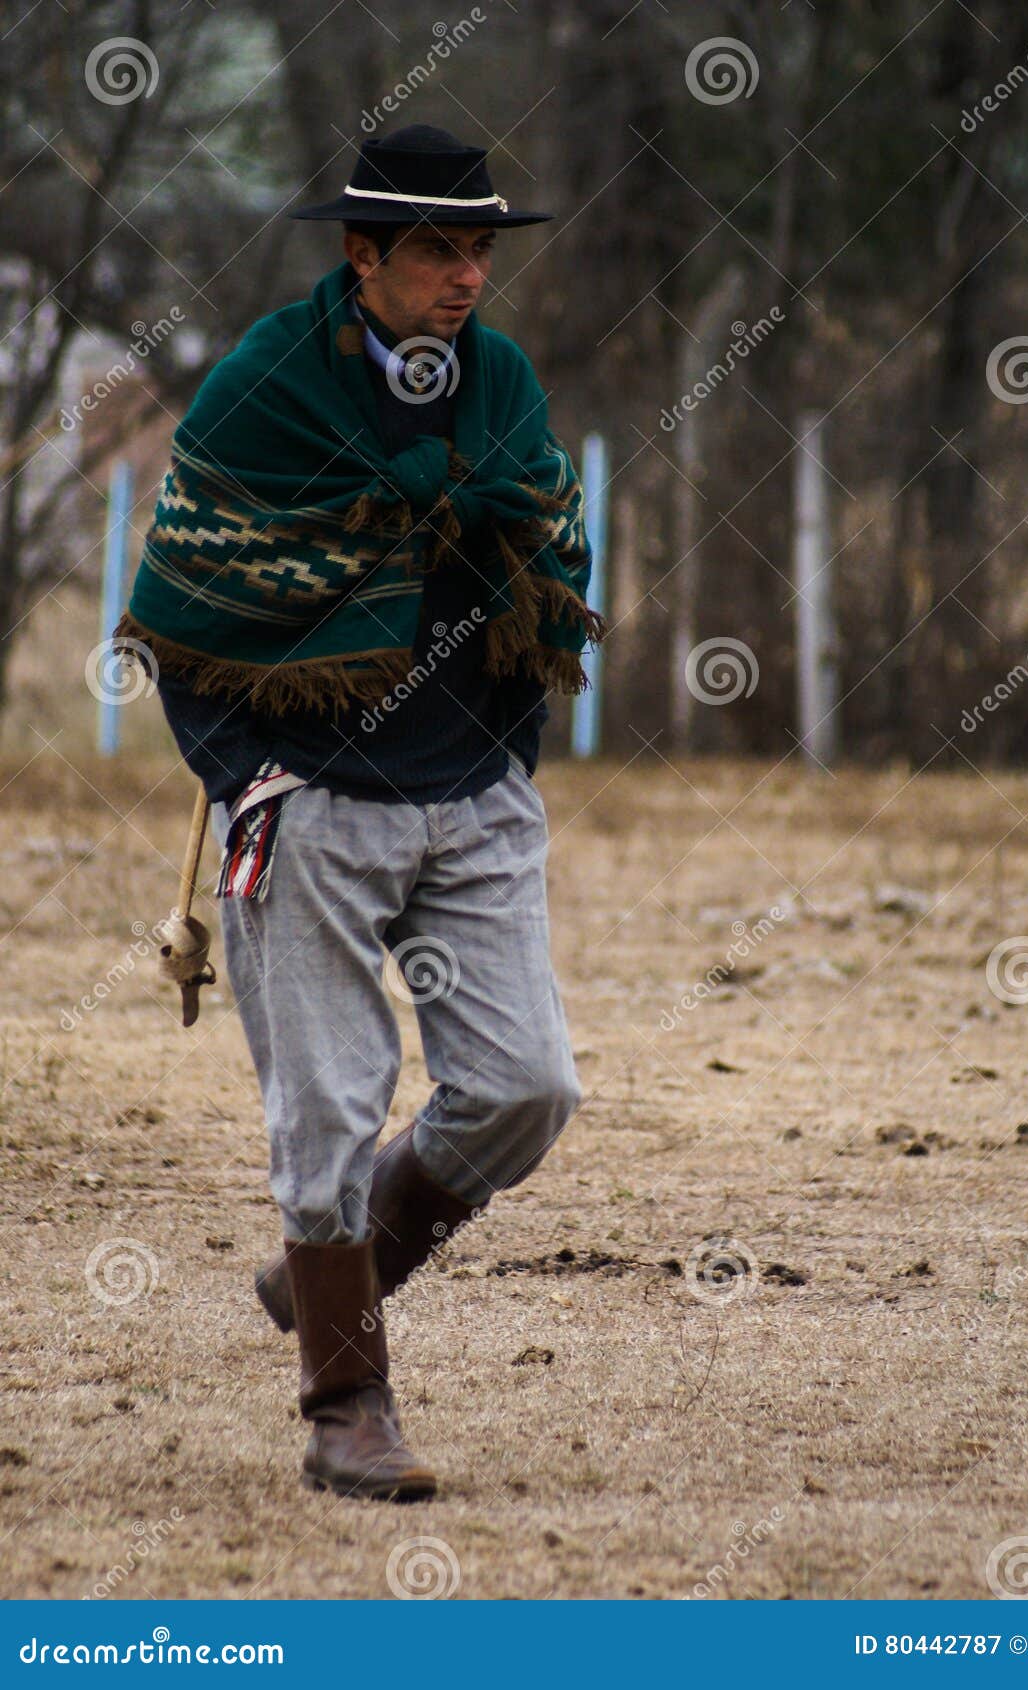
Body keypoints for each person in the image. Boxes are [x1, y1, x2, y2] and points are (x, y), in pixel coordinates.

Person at [116, 124, 606, 1501]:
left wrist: (509, 755)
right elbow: (187, 602)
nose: (466, 276)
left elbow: (548, 563)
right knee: (324, 1108)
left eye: (479, 250)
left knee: (526, 1086)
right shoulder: (263, 389)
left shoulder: (497, 382)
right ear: (362, 255)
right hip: (313, 804)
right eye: (438, 250)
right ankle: (347, 1403)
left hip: (473, 796)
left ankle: (334, 1272)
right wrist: (245, 782)